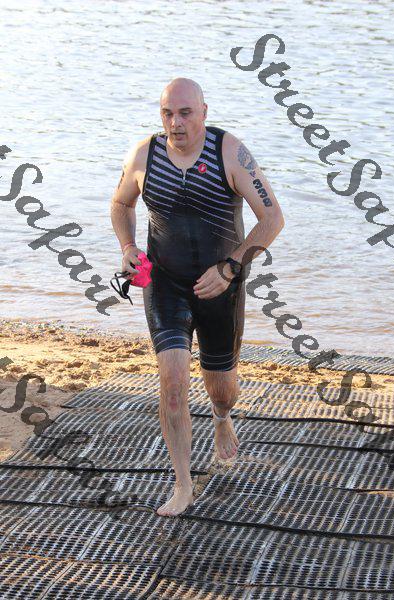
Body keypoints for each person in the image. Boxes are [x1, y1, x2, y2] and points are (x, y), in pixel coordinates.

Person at [110, 77, 285, 516]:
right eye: (167, 113)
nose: (176, 123)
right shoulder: (143, 154)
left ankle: (222, 417)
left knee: (221, 389)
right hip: (165, 284)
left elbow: (272, 219)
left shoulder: (230, 153)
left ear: (204, 112)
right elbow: (121, 204)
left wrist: (230, 268)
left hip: (219, 286)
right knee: (172, 384)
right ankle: (183, 483)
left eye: (185, 113)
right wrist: (128, 248)